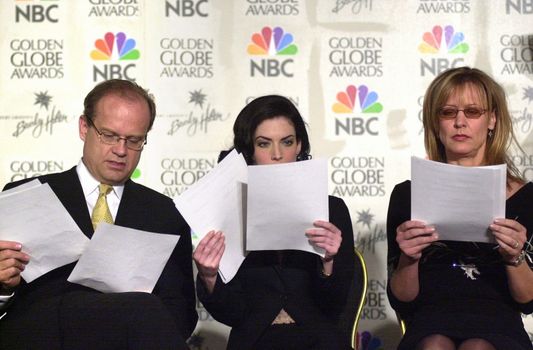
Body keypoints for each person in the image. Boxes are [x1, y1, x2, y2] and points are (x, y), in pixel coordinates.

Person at [0, 79, 198, 349]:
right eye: (109, 135)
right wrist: (3, 287)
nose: (120, 150)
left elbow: (181, 315)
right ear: (84, 127)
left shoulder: (166, 215)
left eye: (134, 140)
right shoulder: (27, 196)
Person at [193, 95, 356, 350]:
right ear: (249, 151)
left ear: (299, 145)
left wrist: (328, 261)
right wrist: (209, 276)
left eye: (287, 142)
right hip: (255, 341)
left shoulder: (331, 210)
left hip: (318, 340)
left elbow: (334, 306)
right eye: (264, 143)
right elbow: (231, 314)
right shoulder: (229, 211)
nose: (277, 154)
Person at [387, 67, 533, 350]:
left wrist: (515, 257)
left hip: (499, 324)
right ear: (435, 122)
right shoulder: (407, 195)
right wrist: (409, 258)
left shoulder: (527, 197)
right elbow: (403, 300)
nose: (460, 122)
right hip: (430, 321)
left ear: (492, 119)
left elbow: (527, 301)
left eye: (473, 112)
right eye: (448, 112)